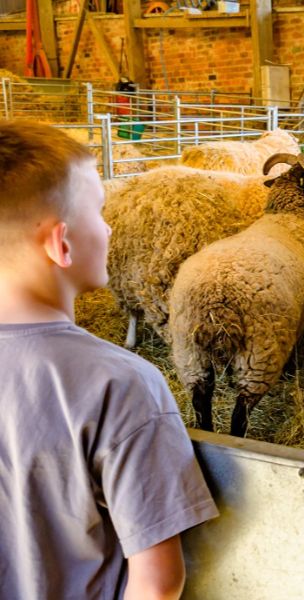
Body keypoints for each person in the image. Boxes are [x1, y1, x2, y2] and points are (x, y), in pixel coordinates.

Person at [0, 120, 219, 599]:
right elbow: (158, 584)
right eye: (99, 211)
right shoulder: (121, 384)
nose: (110, 226)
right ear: (62, 244)